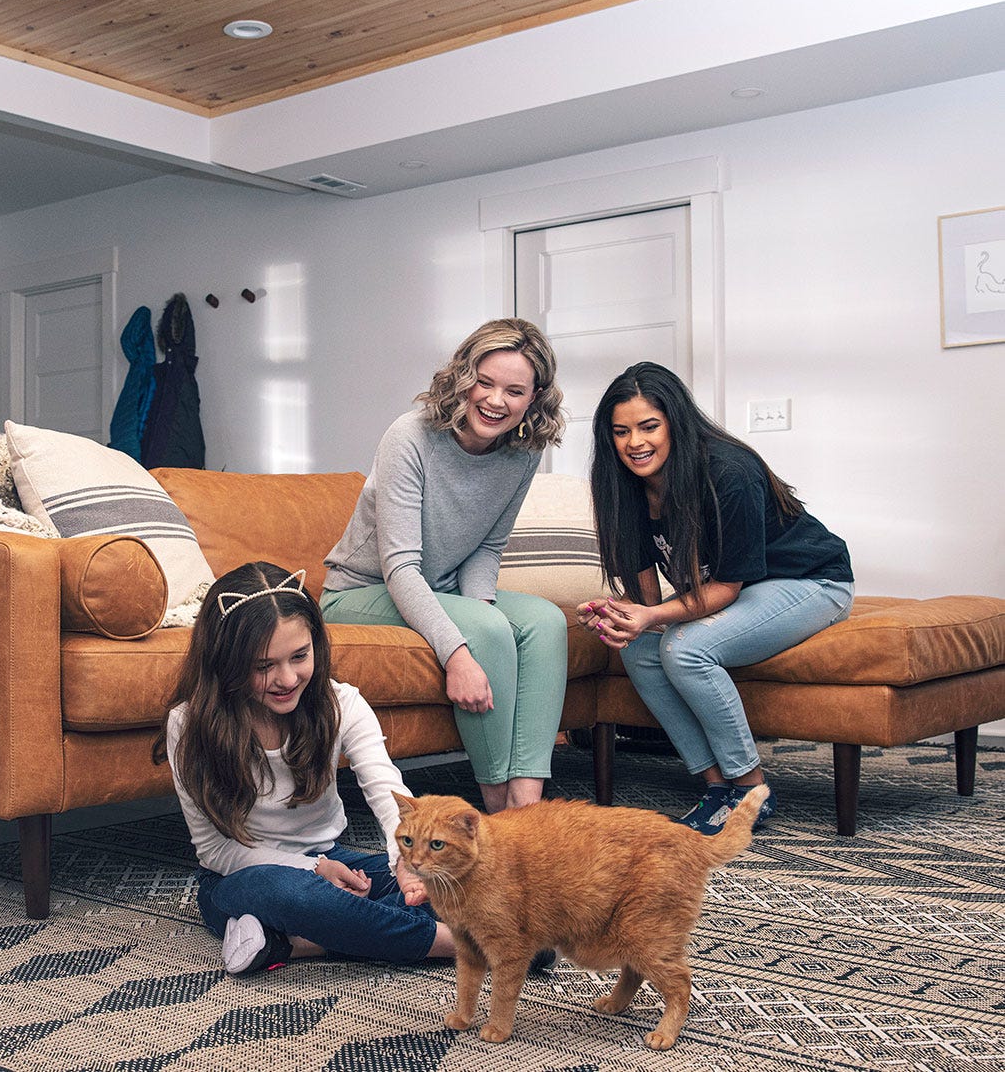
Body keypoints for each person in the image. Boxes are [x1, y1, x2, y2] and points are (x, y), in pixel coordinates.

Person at [578, 362, 854, 834]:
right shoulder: (623, 486)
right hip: (742, 591)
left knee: (685, 649)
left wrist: (651, 615)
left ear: (675, 423)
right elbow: (646, 596)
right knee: (640, 650)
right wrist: (624, 615)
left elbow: (726, 587)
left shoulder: (728, 471)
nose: (634, 443)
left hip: (811, 582)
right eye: (621, 432)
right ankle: (717, 786)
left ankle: (751, 790)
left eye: (649, 426)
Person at [155, 561, 453, 975]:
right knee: (291, 894)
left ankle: (291, 944)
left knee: (452, 877)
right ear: (226, 662)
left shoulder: (342, 703)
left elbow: (388, 792)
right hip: (241, 879)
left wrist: (405, 859)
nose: (287, 678)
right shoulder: (188, 725)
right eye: (263, 666)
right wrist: (313, 869)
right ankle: (460, 943)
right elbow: (215, 851)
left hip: (334, 859)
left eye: (300, 656)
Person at [320, 319, 569, 813]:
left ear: (534, 397)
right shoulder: (410, 436)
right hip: (360, 591)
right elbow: (399, 566)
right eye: (485, 382)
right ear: (463, 377)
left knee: (547, 621)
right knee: (487, 629)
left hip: (441, 589)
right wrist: (460, 653)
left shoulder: (524, 451)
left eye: (514, 391)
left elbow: (487, 547)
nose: (495, 401)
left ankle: (527, 810)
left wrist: (479, 608)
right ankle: (498, 813)